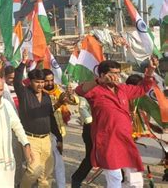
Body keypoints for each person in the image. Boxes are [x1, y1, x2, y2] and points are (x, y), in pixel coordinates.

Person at [75, 57, 159, 187]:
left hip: (126, 140)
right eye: (113, 73)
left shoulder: (123, 89)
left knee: (136, 179)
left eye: (118, 73)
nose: (116, 76)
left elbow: (143, 88)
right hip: (107, 142)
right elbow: (80, 90)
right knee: (115, 177)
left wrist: (150, 72)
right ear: (103, 74)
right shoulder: (95, 91)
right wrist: (98, 81)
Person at [16, 50, 63, 188]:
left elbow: (51, 118)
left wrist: (59, 138)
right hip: (31, 139)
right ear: (30, 82)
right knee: (33, 170)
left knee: (46, 176)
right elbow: (17, 80)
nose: (41, 85)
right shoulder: (24, 94)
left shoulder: (47, 97)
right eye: (37, 82)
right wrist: (23, 62)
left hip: (47, 140)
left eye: (42, 82)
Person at [71, 83, 92, 188]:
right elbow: (82, 108)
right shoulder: (88, 88)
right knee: (91, 158)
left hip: (106, 129)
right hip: (91, 129)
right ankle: (76, 179)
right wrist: (91, 122)